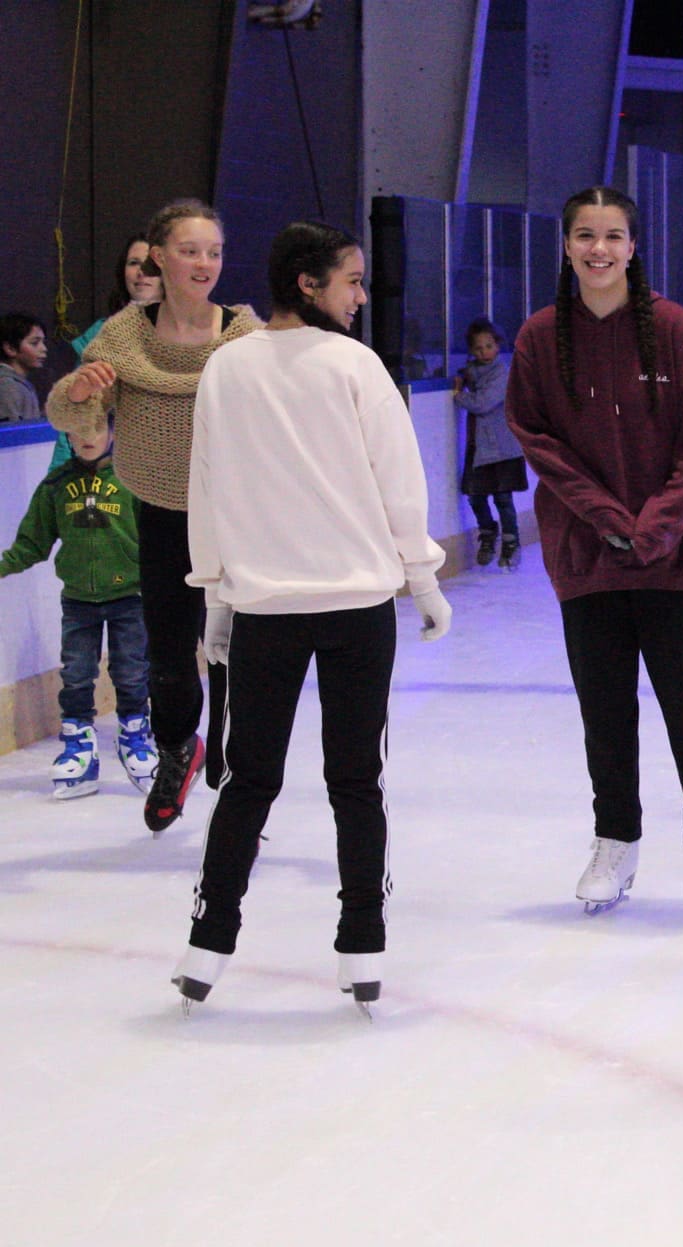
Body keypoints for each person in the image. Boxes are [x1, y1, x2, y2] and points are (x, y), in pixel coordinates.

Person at [170, 220, 451, 1015]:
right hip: (356, 609)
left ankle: (207, 941)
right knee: (356, 781)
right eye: (352, 281)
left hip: (265, 611)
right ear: (307, 283)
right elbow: (400, 485)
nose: (361, 297)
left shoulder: (228, 369)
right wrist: (422, 579)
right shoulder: (354, 366)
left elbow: (208, 489)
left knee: (248, 781)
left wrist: (217, 594)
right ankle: (360, 944)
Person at [505, 185, 683, 920]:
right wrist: (608, 518)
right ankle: (616, 839)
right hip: (588, 556)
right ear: (567, 245)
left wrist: (659, 523)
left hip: (680, 554)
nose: (598, 249)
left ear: (634, 247)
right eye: (584, 235)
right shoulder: (541, 338)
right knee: (605, 712)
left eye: (612, 236)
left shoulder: (674, 329)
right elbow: (538, 439)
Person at [47, 199, 262, 835]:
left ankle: (237, 765)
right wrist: (79, 392)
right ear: (158, 257)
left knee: (239, 649)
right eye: (191, 250)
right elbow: (75, 414)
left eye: (215, 251)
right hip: (163, 515)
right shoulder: (124, 334)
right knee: (170, 651)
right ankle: (177, 753)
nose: (204, 263)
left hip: (241, 517)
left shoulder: (244, 333)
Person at [0, 428, 158, 798]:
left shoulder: (131, 479)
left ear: (112, 429)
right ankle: (79, 747)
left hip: (130, 597)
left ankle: (135, 738)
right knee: (76, 674)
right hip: (78, 601)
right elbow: (32, 543)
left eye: (94, 429)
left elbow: (156, 538)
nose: (86, 438)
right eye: (77, 432)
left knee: (132, 671)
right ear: (66, 437)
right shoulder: (56, 485)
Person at [48, 234, 165, 471]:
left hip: (167, 469)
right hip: (110, 473)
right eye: (133, 263)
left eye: (150, 264)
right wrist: (59, 475)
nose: (141, 271)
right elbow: (75, 413)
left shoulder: (194, 333)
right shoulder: (100, 336)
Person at [452, 317, 527, 569]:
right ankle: (487, 533)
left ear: (498, 346)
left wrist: (459, 396)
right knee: (475, 496)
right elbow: (469, 378)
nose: (485, 352)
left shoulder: (502, 374)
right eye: (479, 348)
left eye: (489, 345)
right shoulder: (472, 372)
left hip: (503, 447)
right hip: (480, 447)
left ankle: (511, 542)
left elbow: (482, 404)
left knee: (502, 498)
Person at [1, 313, 49, 423]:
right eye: (35, 343)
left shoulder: (16, 383)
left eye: (43, 342)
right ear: (10, 348)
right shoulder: (7, 386)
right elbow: (11, 435)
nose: (44, 349)